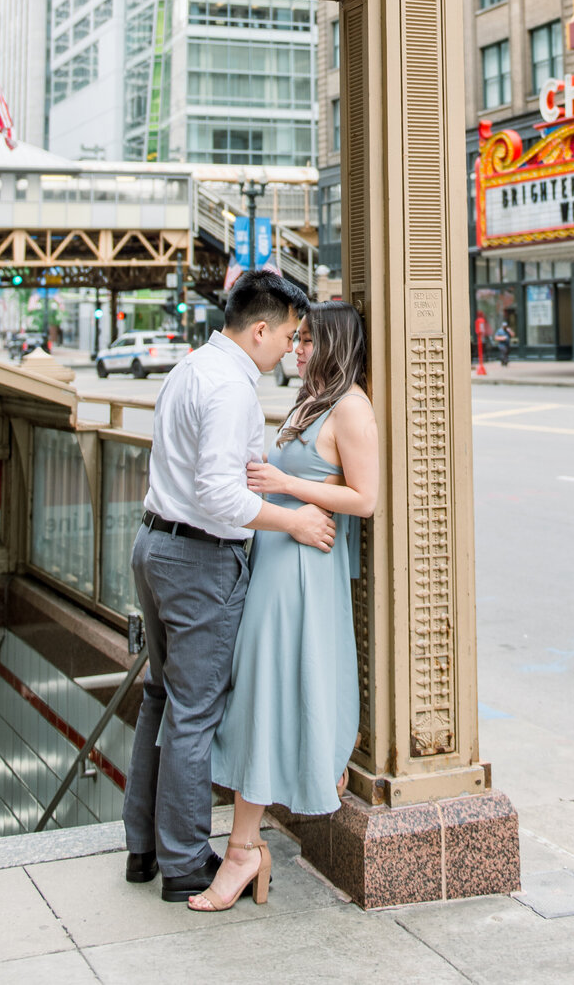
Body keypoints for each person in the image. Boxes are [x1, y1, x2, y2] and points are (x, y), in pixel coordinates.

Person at [121, 269, 335, 904]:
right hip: (197, 560)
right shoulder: (232, 387)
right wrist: (291, 517)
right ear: (261, 328)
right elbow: (219, 493)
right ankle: (185, 862)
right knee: (193, 710)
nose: (290, 350)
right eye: (290, 335)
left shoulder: (191, 367)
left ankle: (145, 847)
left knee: (162, 698)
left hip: (154, 545)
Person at [192, 301, 379, 912]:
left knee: (273, 693)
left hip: (306, 572)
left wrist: (288, 488)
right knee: (259, 694)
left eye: (306, 341)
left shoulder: (350, 406)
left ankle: (245, 848)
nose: (295, 350)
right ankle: (249, 844)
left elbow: (365, 498)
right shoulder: (309, 403)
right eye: (295, 340)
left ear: (333, 345)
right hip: (275, 563)